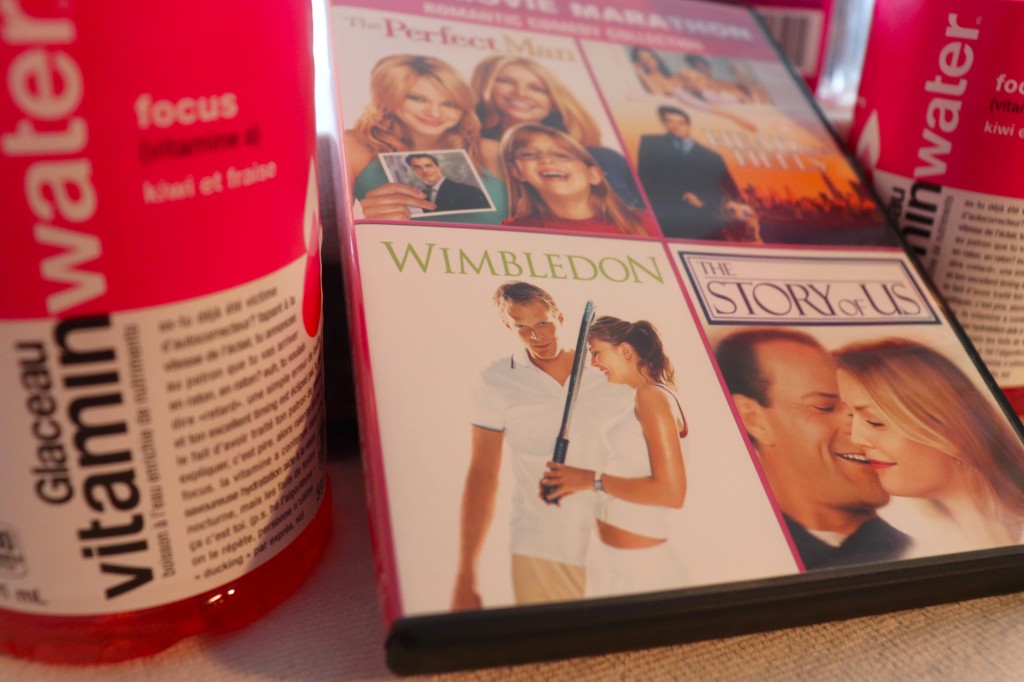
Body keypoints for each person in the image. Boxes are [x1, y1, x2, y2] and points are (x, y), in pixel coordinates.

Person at [452, 282, 631, 609]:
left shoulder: (609, 369)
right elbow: (482, 474)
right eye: (522, 327)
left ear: (560, 318)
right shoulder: (495, 380)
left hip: (621, 541)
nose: (536, 336)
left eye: (543, 323)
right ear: (508, 327)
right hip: (540, 548)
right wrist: (466, 574)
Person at [715, 328, 911, 569]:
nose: (861, 429)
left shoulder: (917, 552)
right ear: (754, 419)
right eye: (825, 407)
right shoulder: (733, 554)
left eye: (865, 410)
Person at [542, 316, 688, 597]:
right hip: (610, 561)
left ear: (624, 351)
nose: (594, 363)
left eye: (597, 352)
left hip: (642, 569)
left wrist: (589, 480)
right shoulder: (641, 397)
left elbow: (671, 492)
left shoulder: (651, 396)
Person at [835, 338, 1024, 552]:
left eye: (874, 421)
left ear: (951, 426)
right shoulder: (904, 535)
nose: (856, 438)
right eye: (851, 416)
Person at [344, 54, 507, 224]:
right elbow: (331, 229)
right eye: (419, 99)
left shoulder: (492, 151)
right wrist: (367, 222)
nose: (434, 113)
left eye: (448, 104)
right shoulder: (352, 146)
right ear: (389, 96)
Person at [471, 55, 644, 209]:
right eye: (506, 81)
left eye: (537, 89)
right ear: (485, 86)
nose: (521, 93)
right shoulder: (466, 151)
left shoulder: (602, 160)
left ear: (553, 102)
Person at [501, 123, 649, 236]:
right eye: (529, 155)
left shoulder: (645, 223)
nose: (546, 160)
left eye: (561, 155)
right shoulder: (514, 231)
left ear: (594, 175)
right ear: (517, 172)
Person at [637, 105, 743, 240]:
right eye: (670, 121)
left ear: (689, 124)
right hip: (664, 220)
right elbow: (644, 179)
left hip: (704, 223)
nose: (676, 126)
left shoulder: (712, 157)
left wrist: (703, 204)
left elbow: (732, 193)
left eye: (681, 122)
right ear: (664, 123)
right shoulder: (650, 143)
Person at [630, 47, 757, 131]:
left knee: (740, 92)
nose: (649, 61)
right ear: (640, 63)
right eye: (643, 59)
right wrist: (642, 75)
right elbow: (659, 97)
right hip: (708, 108)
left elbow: (705, 84)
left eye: (650, 56)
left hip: (719, 99)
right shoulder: (654, 81)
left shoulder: (677, 75)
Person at [405, 153, 490, 213]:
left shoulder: (468, 191)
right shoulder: (423, 194)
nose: (424, 171)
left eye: (428, 165)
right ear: (413, 171)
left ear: (439, 167)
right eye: (417, 167)